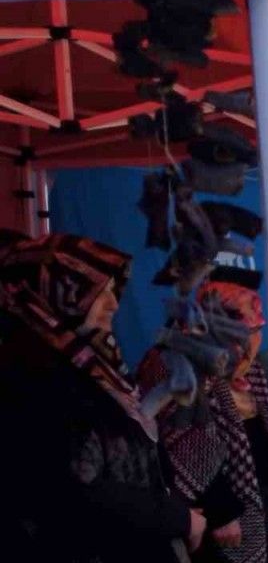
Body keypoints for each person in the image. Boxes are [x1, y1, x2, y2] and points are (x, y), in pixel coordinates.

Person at [0, 235, 206, 562]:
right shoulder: (33, 376)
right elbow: (71, 491)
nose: (113, 303)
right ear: (58, 294)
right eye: (99, 292)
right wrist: (177, 518)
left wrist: (177, 513)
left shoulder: (90, 364)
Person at [138, 273, 268, 563]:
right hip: (213, 512)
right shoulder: (174, 362)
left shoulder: (249, 366)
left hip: (258, 495)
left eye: (256, 329)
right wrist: (221, 510)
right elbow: (175, 444)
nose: (249, 343)